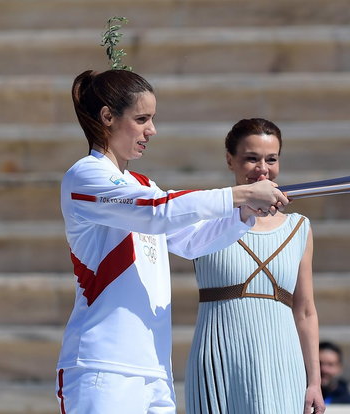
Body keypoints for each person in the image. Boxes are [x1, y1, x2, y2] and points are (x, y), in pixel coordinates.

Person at [56, 70, 288, 414]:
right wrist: (240, 193)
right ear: (108, 117)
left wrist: (243, 212)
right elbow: (159, 212)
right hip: (103, 368)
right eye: (142, 119)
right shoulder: (85, 176)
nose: (152, 130)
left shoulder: (143, 185)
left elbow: (192, 241)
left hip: (154, 368)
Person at [185, 118, 325, 414]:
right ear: (230, 160)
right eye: (251, 158)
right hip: (219, 359)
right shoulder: (205, 219)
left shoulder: (299, 228)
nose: (263, 168)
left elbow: (306, 310)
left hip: (282, 362)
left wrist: (314, 382)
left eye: (271, 159)